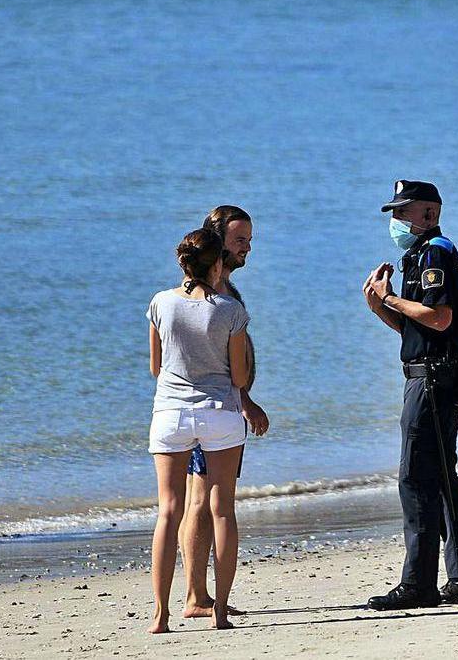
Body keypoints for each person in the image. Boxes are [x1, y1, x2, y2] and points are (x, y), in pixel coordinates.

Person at [363, 180, 458, 610]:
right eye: (394, 213)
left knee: (416, 478)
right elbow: (418, 326)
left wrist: (392, 297)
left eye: (404, 212)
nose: (396, 221)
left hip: (433, 379)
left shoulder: (435, 252)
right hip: (433, 374)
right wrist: (383, 306)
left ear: (429, 214)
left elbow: (439, 317)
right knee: (441, 477)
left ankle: (418, 582)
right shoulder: (417, 254)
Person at [146, 228, 252, 633]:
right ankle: (219, 612)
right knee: (222, 509)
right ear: (218, 264)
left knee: (168, 511)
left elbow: (156, 367)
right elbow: (239, 375)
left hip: (170, 413)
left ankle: (160, 614)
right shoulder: (229, 310)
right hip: (220, 412)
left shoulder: (160, 303)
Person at [179, 205, 270, 620]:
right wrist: (245, 400)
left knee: (202, 500)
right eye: (239, 240)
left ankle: (198, 594)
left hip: (219, 410)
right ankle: (197, 596)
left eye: (249, 239)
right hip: (213, 409)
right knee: (201, 501)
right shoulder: (205, 295)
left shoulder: (225, 291)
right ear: (217, 243)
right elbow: (205, 363)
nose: (247, 248)